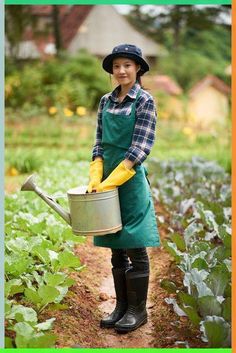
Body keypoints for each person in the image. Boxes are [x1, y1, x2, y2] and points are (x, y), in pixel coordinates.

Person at [87, 44, 160, 333]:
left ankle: (137, 310)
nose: (121, 70)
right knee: (115, 245)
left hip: (129, 179)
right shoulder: (106, 101)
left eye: (127, 65)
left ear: (138, 68)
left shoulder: (144, 101)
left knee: (134, 243)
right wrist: (96, 174)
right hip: (106, 178)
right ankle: (120, 306)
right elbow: (99, 141)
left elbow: (141, 147)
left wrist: (112, 179)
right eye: (117, 66)